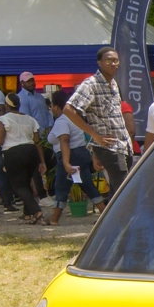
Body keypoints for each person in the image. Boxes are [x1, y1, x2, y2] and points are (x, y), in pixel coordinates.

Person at [65, 47, 134, 194]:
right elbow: (69, 110)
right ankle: (122, 217)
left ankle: (110, 217)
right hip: (109, 146)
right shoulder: (91, 84)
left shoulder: (113, 83)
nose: (113, 63)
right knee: (123, 190)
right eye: (109, 60)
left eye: (116, 60)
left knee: (117, 189)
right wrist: (95, 136)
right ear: (99, 63)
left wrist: (95, 153)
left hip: (123, 144)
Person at [45, 90, 104, 225]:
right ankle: (105, 213)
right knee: (87, 185)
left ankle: (54, 218)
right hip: (82, 153)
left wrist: (66, 163)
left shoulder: (62, 121)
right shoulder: (75, 118)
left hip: (69, 155)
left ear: (56, 106)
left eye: (52, 106)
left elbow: (64, 140)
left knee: (61, 186)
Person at [0, 93, 44, 223]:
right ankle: (27, 214)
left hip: (13, 153)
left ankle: (36, 210)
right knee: (26, 182)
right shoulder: (30, 119)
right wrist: (42, 161)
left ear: (6, 105)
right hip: (31, 151)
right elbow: (37, 140)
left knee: (18, 185)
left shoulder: (3, 120)